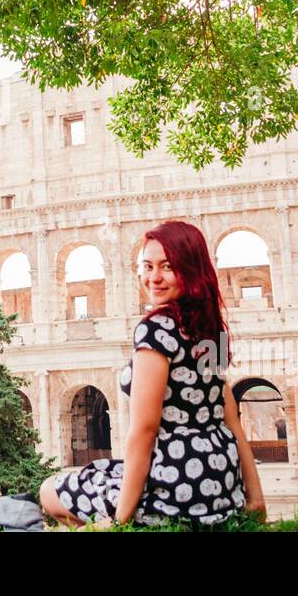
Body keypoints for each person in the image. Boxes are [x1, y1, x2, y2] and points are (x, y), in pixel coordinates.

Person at [39, 220, 267, 529]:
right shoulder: (212, 329)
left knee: (50, 491)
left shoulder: (156, 330)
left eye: (167, 267)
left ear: (190, 270)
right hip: (219, 480)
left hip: (175, 480)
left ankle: (131, 521)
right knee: (104, 472)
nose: (154, 278)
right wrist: (256, 499)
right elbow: (230, 421)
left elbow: (144, 431)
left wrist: (120, 519)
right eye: (147, 266)